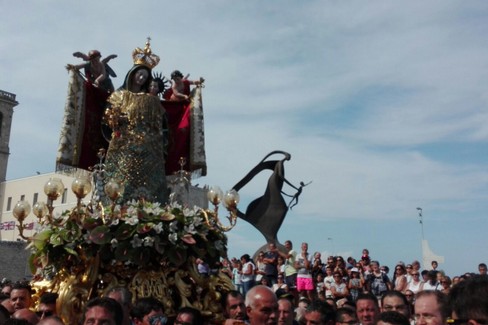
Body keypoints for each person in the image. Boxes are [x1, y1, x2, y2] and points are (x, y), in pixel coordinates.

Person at [104, 41, 168, 204]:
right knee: (123, 181)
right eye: (140, 74)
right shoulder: (120, 95)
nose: (141, 78)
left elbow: (161, 123)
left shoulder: (150, 100)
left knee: (149, 183)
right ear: (132, 74)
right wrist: (118, 119)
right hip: (124, 145)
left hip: (149, 148)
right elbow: (107, 117)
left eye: (145, 77)